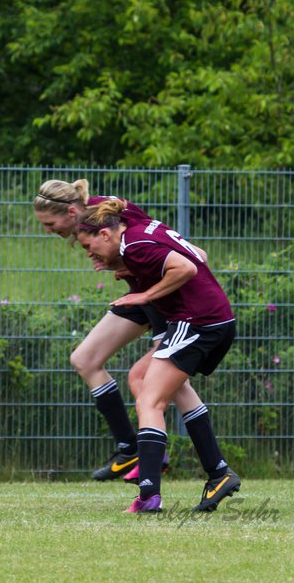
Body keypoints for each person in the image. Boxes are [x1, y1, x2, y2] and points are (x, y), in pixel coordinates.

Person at [33, 180, 220, 484]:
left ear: (71, 211)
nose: (47, 230)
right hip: (138, 295)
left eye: (50, 224)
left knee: (165, 385)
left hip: (158, 299)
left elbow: (184, 254)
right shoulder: (92, 222)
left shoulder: (114, 212)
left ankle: (211, 468)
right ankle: (130, 448)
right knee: (85, 359)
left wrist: (132, 274)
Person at [77, 200, 240, 513]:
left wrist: (144, 294)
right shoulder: (134, 224)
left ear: (105, 234)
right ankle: (219, 473)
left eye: (89, 245)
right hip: (210, 319)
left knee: (149, 401)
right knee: (141, 378)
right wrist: (133, 272)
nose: (88, 254)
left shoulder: (135, 246)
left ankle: (149, 496)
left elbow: (188, 267)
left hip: (197, 321)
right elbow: (199, 255)